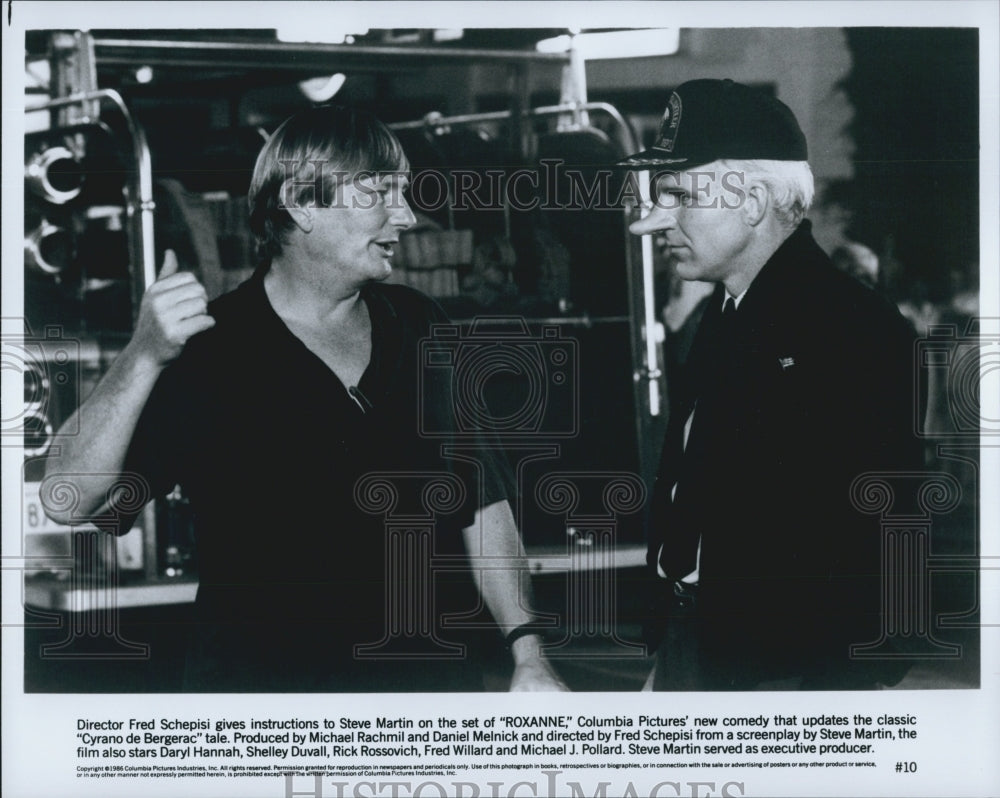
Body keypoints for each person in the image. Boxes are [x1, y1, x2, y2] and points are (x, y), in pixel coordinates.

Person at [42, 105, 566, 693]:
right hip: (264, 712)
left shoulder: (421, 325)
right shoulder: (210, 350)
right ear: (300, 202)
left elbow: (484, 504)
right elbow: (68, 498)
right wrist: (142, 354)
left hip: (428, 699)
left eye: (405, 191)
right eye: (380, 192)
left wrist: (528, 651)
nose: (409, 216)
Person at [621, 79, 924, 690]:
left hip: (782, 675)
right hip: (700, 647)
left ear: (753, 201)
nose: (650, 223)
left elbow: (887, 538)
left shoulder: (850, 328)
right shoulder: (727, 312)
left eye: (678, 194)